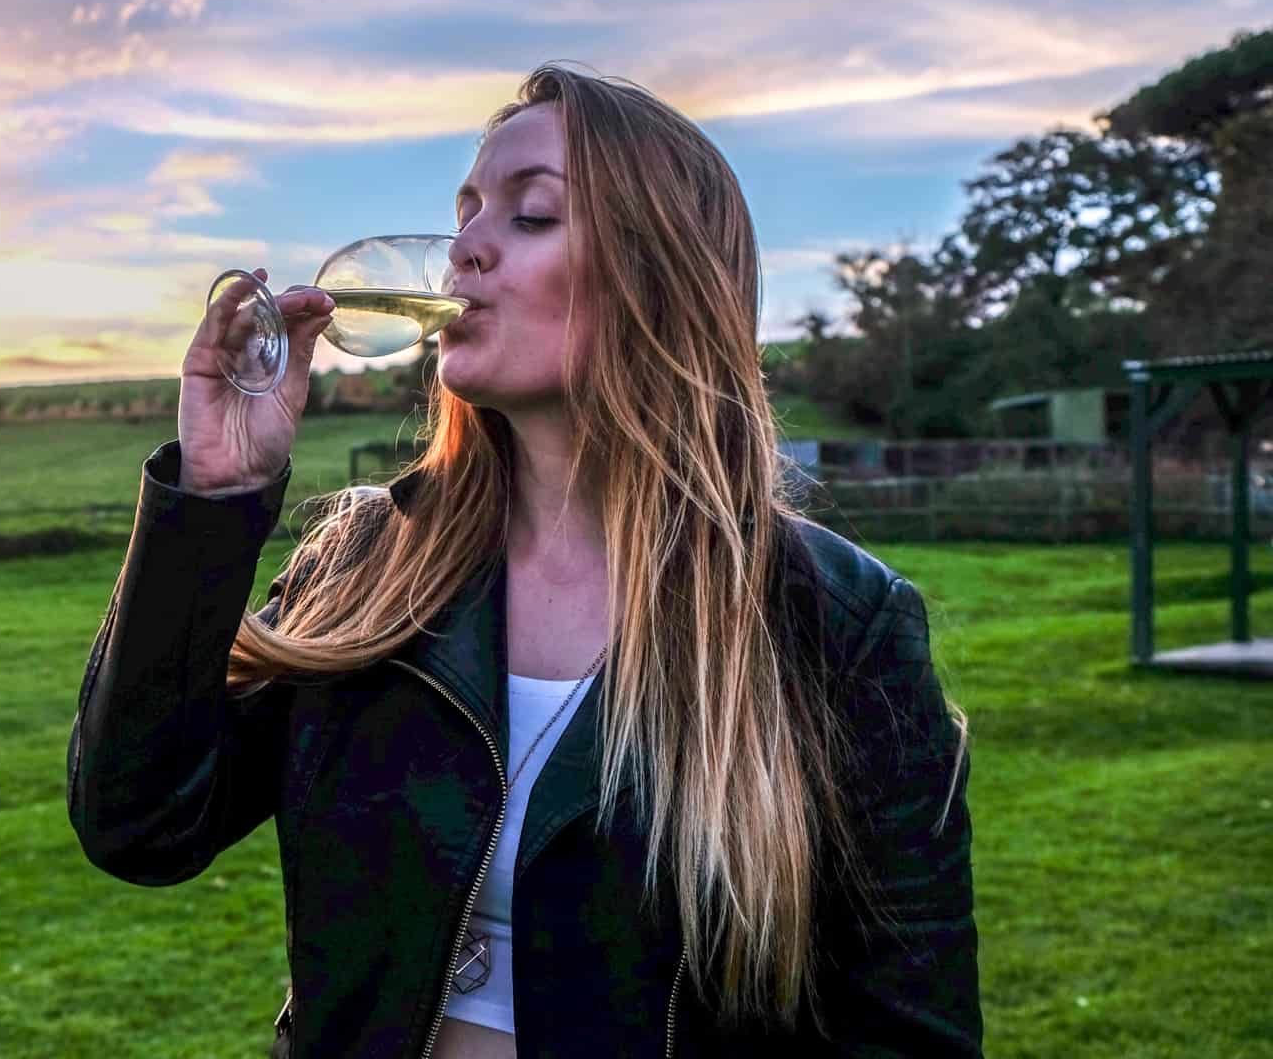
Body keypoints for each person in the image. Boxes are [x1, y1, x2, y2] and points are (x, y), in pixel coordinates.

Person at [68, 64, 981, 1057]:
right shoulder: (369, 567)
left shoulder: (834, 622)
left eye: (532, 215)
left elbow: (910, 1036)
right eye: (464, 214)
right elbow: (140, 827)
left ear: (660, 275)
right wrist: (213, 498)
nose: (464, 251)